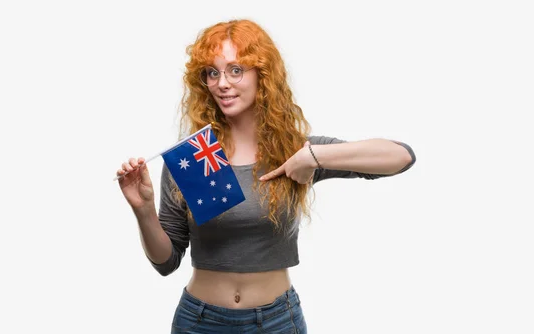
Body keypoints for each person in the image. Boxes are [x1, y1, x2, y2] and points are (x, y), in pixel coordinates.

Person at [116, 19, 416, 334]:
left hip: (276, 322)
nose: (222, 83)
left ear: (263, 75)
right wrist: (144, 210)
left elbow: (401, 156)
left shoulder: (292, 150)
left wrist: (313, 156)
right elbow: (166, 262)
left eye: (235, 70)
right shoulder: (195, 157)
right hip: (200, 322)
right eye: (212, 72)